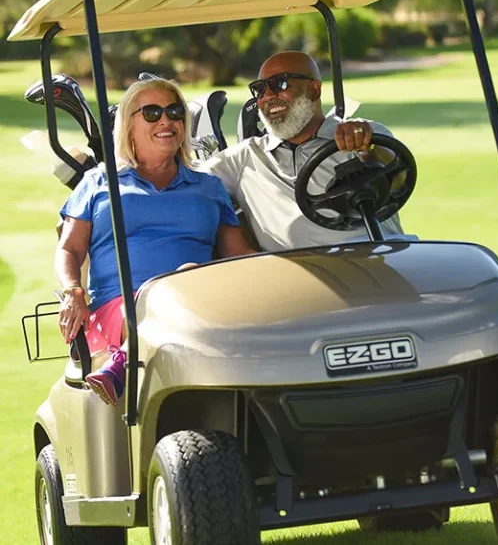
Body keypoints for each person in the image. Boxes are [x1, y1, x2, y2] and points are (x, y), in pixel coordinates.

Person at [56, 76, 254, 405]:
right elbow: (70, 248)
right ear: (128, 126)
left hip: (197, 306)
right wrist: (73, 290)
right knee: (172, 289)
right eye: (151, 113)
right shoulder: (98, 182)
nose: (166, 120)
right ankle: (123, 357)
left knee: (187, 277)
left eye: (175, 112)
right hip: (117, 312)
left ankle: (125, 363)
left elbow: (241, 256)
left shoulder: (208, 186)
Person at [200, 51, 406, 251]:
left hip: (382, 258)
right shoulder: (242, 158)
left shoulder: (365, 135)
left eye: (280, 84)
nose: (269, 96)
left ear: (314, 90)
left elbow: (398, 179)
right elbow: (187, 184)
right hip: (301, 277)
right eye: (260, 89)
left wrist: (366, 145)